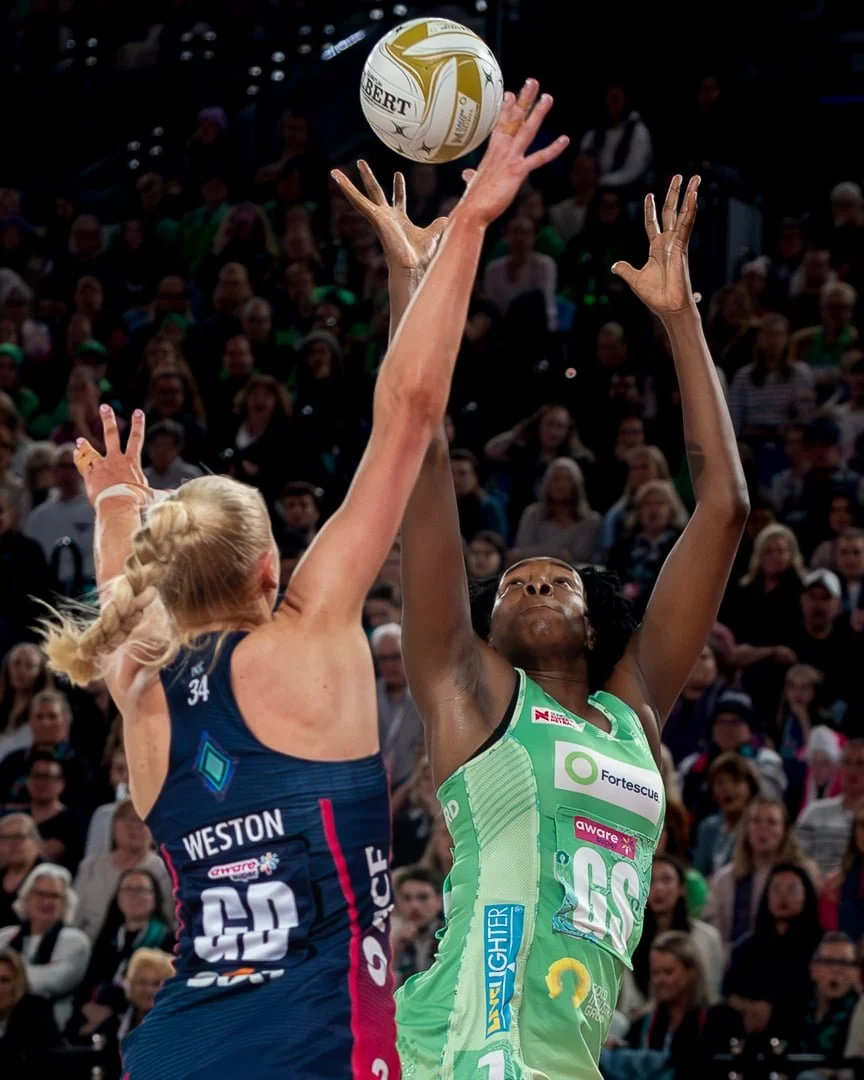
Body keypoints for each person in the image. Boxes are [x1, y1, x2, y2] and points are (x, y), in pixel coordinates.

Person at [38, 83, 569, 1080]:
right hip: (315, 1050)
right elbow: (410, 413)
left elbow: (118, 590)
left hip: (177, 1048)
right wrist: (468, 223)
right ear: (270, 567)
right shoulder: (311, 629)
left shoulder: (139, 682)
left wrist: (113, 501)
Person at [351, 114, 747, 1078]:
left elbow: (726, 506)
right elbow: (419, 448)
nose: (532, 578)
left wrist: (681, 320)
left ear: (595, 614)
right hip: (458, 1050)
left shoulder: (632, 709)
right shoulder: (472, 695)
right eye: (514, 583)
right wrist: (414, 282)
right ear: (483, 629)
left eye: (556, 577)